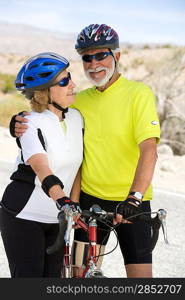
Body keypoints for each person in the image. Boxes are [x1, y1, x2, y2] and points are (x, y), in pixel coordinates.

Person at [9, 24, 160, 278]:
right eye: (87, 58)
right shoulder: (81, 101)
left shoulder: (139, 94)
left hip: (132, 202)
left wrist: (135, 197)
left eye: (101, 55)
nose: (93, 64)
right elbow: (47, 114)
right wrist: (18, 124)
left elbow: (149, 150)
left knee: (141, 281)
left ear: (117, 56)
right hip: (91, 201)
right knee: (79, 278)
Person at [0, 52, 83, 278]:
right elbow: (41, 167)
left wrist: (73, 206)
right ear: (46, 91)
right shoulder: (29, 122)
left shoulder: (77, 119)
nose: (73, 84)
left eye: (70, 77)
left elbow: (78, 170)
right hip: (24, 215)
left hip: (57, 218)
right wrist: (63, 200)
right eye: (64, 81)